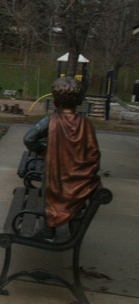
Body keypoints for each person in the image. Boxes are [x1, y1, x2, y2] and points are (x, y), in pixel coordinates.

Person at [23, 77, 102, 236]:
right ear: (79, 101)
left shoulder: (50, 121)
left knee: (48, 177)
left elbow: (29, 139)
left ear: (55, 100)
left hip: (55, 177)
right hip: (77, 180)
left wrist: (45, 151)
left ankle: (48, 228)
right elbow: (93, 153)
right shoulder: (85, 123)